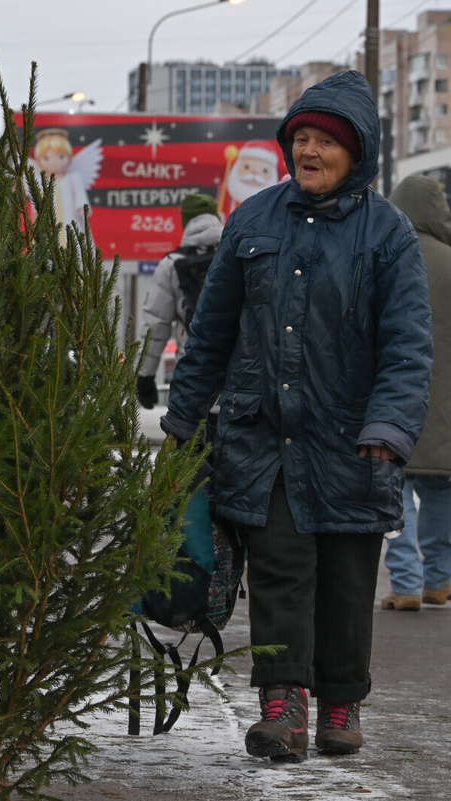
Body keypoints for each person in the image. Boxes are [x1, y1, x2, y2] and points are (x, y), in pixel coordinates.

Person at [160, 71, 432, 761]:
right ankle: (283, 706)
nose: (308, 151)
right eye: (300, 138)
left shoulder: (388, 233)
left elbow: (407, 345)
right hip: (264, 438)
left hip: (354, 441)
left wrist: (389, 428)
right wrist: (180, 422)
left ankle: (342, 702)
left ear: (358, 151)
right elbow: (212, 332)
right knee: (280, 571)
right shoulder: (253, 219)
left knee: (345, 579)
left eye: (325, 141)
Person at [380, 175, 451, 612]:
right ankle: (439, 580)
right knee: (441, 489)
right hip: (446, 401)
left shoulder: (386, 255)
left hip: (393, 390)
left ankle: (405, 584)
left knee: (395, 487)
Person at [136, 194, 223, 409]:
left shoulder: (171, 265)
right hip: (240, 382)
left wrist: (144, 375)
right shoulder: (239, 255)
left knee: (191, 441)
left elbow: (155, 325)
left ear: (185, 222)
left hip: (193, 377)